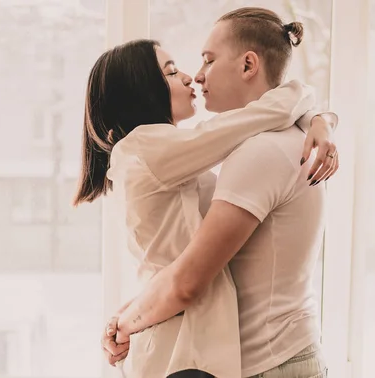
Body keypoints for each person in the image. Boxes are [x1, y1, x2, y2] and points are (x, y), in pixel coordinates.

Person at [103, 7, 337, 378]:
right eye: (171, 70)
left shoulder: (260, 151)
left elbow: (186, 278)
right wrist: (319, 118)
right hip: (233, 352)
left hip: (267, 361)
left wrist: (126, 320)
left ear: (248, 65)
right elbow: (180, 267)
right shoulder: (152, 150)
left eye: (208, 61)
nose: (194, 76)